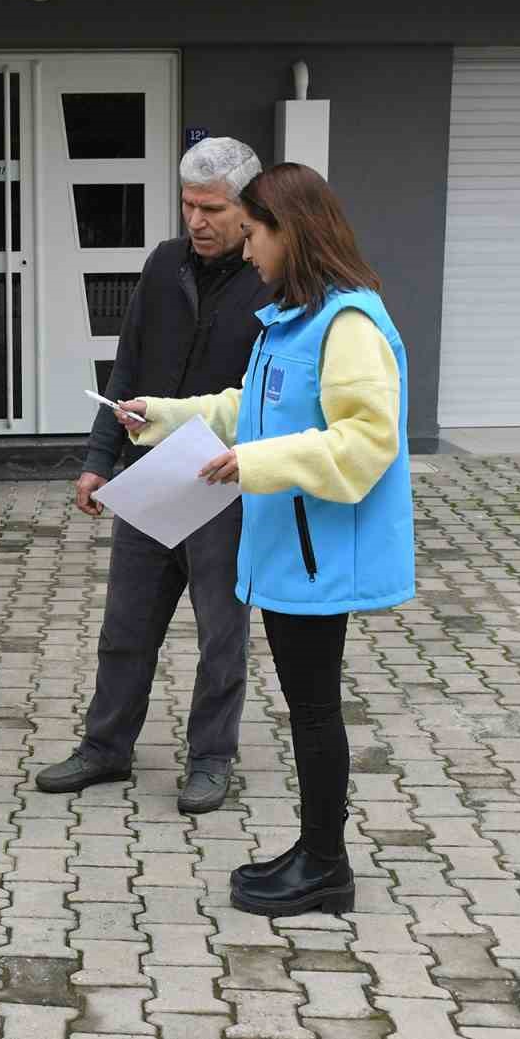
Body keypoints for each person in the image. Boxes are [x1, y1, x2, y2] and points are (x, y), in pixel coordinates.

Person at [114, 162, 416, 917]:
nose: (247, 254)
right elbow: (244, 407)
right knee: (306, 705)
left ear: (293, 232)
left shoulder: (350, 324)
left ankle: (326, 869)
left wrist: (256, 464)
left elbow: (367, 440)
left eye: (254, 236)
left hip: (317, 556)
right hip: (288, 552)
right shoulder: (296, 321)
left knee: (315, 710)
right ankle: (316, 851)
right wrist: (161, 415)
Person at [35, 137, 273, 815]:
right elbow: (127, 365)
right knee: (125, 626)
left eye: (212, 208)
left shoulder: (268, 281)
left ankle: (211, 758)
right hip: (151, 477)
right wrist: (96, 461)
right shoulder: (164, 264)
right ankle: (106, 748)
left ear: (246, 207)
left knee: (220, 633)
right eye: (187, 205)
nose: (196, 221)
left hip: (225, 481)